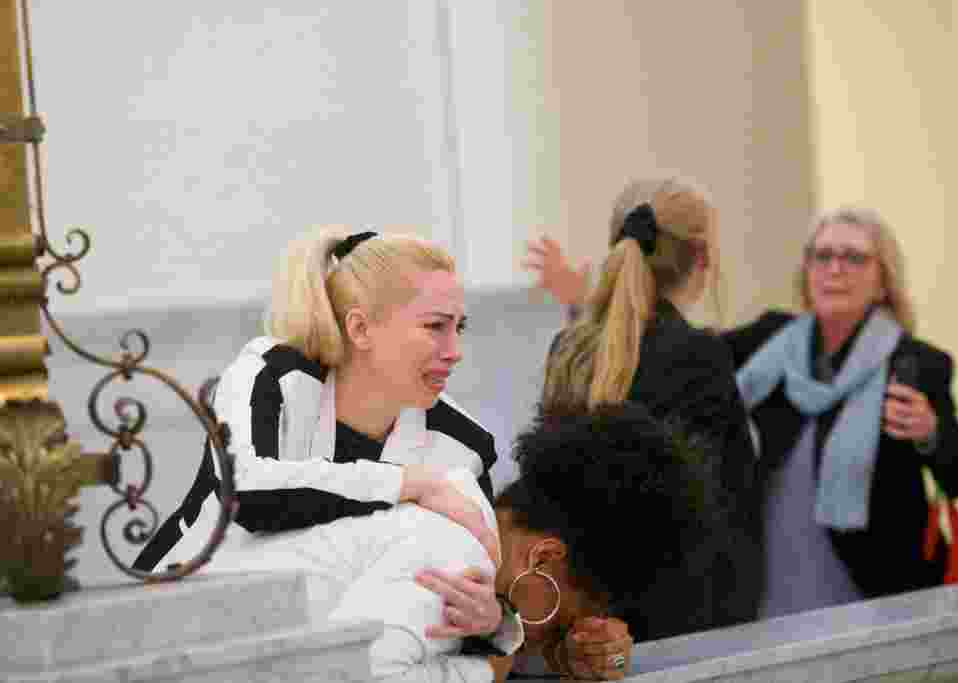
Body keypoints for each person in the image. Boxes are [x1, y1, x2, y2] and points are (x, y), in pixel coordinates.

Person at [134, 227, 512, 653]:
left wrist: (492, 622)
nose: (455, 349)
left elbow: (472, 587)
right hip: (170, 615)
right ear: (360, 329)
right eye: (436, 327)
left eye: (460, 327)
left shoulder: (464, 444)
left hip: (313, 643)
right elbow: (247, 495)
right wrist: (412, 485)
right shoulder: (272, 375)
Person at [190, 402, 707, 681]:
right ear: (546, 557)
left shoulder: (460, 510)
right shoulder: (455, 553)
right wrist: (494, 666)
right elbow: (359, 674)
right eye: (572, 613)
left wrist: (556, 658)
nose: (569, 629)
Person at [523, 178, 761, 640]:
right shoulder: (698, 358)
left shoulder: (569, 351)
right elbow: (730, 511)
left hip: (582, 624)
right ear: (703, 259)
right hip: (681, 629)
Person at [724, 206, 958, 617]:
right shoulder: (767, 344)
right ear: (807, 270)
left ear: (883, 280)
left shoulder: (915, 363)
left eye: (854, 257)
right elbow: (690, 360)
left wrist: (931, 433)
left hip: (874, 594)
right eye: (822, 255)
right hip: (768, 589)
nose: (835, 269)